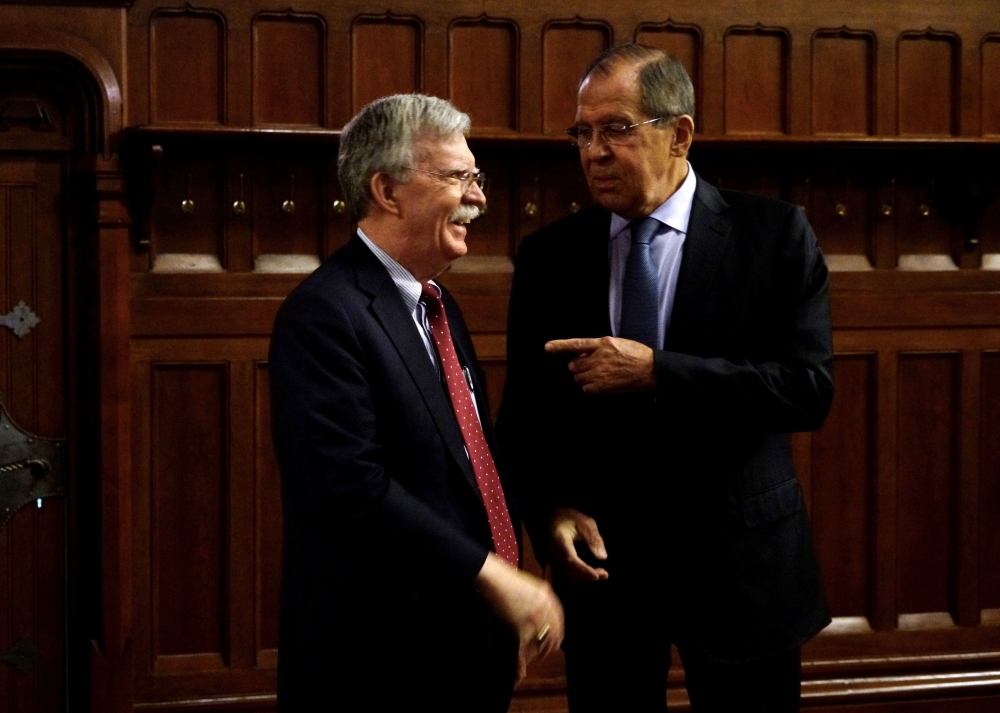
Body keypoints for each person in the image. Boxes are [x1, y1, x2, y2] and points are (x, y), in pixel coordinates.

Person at [498, 44, 834, 712]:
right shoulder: (550, 256)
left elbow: (806, 388)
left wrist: (660, 372)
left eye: (616, 128)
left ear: (678, 134)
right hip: (607, 576)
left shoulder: (774, 236)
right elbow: (525, 419)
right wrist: (548, 511)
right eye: (583, 132)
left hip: (742, 568)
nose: (594, 151)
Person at [269, 93, 563, 712]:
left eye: (475, 179)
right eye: (459, 178)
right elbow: (352, 489)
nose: (479, 198)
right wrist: (495, 579)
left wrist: (535, 532)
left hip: (463, 646)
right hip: (378, 667)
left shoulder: (438, 307)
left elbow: (468, 463)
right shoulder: (324, 314)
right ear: (388, 190)